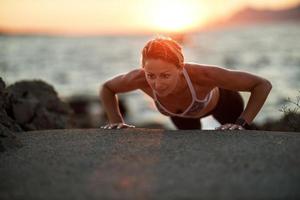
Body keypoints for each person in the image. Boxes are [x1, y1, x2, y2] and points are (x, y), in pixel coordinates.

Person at [99, 36, 272, 130]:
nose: (157, 85)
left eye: (165, 75)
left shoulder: (203, 75)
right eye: (151, 75)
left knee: (243, 134)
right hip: (182, 117)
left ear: (180, 68)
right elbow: (107, 88)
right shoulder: (139, 78)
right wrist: (116, 121)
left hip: (224, 104)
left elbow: (262, 85)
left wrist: (241, 123)